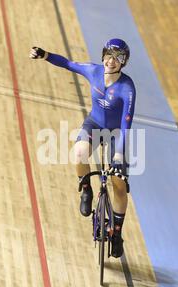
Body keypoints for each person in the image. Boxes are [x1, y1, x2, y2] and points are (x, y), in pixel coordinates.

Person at [29, 39, 135, 258]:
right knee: (78, 152)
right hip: (94, 124)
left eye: (118, 58)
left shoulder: (127, 88)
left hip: (118, 133)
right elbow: (68, 64)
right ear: (103, 55)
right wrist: (45, 54)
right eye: (109, 55)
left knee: (119, 184)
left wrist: (117, 154)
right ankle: (85, 189)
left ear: (124, 63)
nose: (112, 61)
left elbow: (126, 124)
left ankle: (116, 234)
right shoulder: (93, 71)